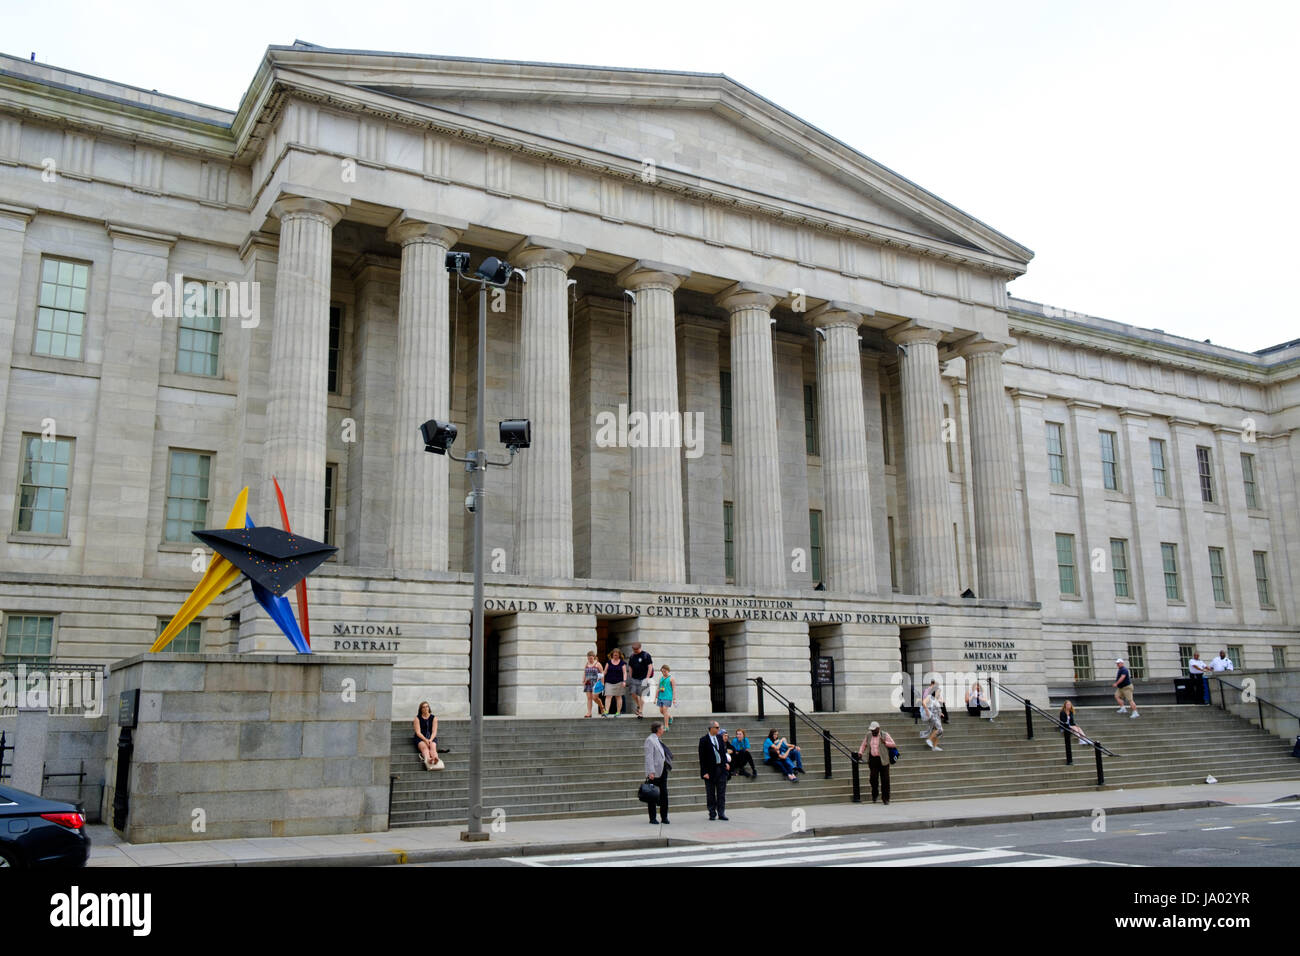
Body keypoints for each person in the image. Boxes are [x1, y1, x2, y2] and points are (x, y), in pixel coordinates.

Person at [857, 720, 896, 804]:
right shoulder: (868, 735)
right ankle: (875, 794)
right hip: (873, 760)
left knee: (885, 780)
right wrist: (860, 753)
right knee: (873, 778)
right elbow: (863, 744)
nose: (872, 731)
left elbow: (893, 744)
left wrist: (885, 742)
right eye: (871, 730)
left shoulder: (884, 735)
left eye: (874, 730)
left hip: (883, 760)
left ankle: (885, 799)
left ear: (878, 728)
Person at [698, 720, 730, 821]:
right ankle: (712, 813)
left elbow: (723, 752)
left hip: (721, 769)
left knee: (721, 793)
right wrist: (704, 772)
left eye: (718, 727)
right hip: (710, 770)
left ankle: (721, 813)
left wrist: (725, 763)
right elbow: (702, 758)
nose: (718, 729)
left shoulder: (720, 738)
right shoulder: (704, 740)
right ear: (711, 728)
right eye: (717, 727)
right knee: (710, 793)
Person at [643, 721, 671, 825]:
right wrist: (651, 772)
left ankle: (664, 817)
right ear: (658, 729)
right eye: (663, 728)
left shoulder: (657, 739)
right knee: (652, 795)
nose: (664, 729)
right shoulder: (650, 740)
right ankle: (653, 818)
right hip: (654, 772)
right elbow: (649, 757)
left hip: (663, 770)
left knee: (664, 794)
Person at [627, 641, 654, 719]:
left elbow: (650, 667)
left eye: (636, 650)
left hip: (644, 678)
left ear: (640, 648)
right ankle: (639, 706)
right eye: (634, 650)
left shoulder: (646, 655)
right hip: (634, 678)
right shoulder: (632, 656)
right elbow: (630, 667)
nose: (635, 651)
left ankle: (641, 712)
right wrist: (630, 677)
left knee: (642, 695)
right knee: (633, 693)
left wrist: (647, 678)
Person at [413, 701, 442, 770]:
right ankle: (428, 760)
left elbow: (434, 732)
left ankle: (435, 759)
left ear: (429, 708)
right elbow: (418, 732)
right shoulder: (417, 718)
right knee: (425, 748)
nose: (426, 708)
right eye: (423, 707)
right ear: (421, 709)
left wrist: (430, 740)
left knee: (433, 747)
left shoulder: (434, 718)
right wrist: (425, 740)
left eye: (427, 706)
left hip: (431, 737)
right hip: (420, 737)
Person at [602, 648, 627, 717]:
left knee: (618, 697)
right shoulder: (609, 662)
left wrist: (624, 681)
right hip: (609, 682)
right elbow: (605, 671)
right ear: (612, 655)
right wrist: (601, 676)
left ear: (619, 655)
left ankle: (618, 712)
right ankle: (606, 711)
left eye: (617, 655)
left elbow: (624, 673)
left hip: (619, 682)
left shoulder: (622, 663)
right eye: (614, 655)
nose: (615, 656)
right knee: (608, 696)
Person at [920, 681, 944, 751]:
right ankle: (929, 740)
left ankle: (934, 746)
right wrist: (927, 711)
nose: (939, 693)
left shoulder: (936, 700)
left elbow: (938, 709)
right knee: (939, 729)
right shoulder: (929, 697)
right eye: (938, 692)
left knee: (939, 731)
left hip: (937, 717)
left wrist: (941, 713)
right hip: (932, 716)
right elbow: (923, 703)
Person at [582, 650, 607, 718]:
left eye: (591, 658)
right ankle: (589, 713)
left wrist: (602, 683)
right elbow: (585, 672)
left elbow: (602, 674)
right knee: (589, 698)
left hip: (596, 683)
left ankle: (602, 707)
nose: (590, 659)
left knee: (595, 697)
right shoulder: (587, 664)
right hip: (588, 683)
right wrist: (583, 680)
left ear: (594, 657)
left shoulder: (598, 664)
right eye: (588, 658)